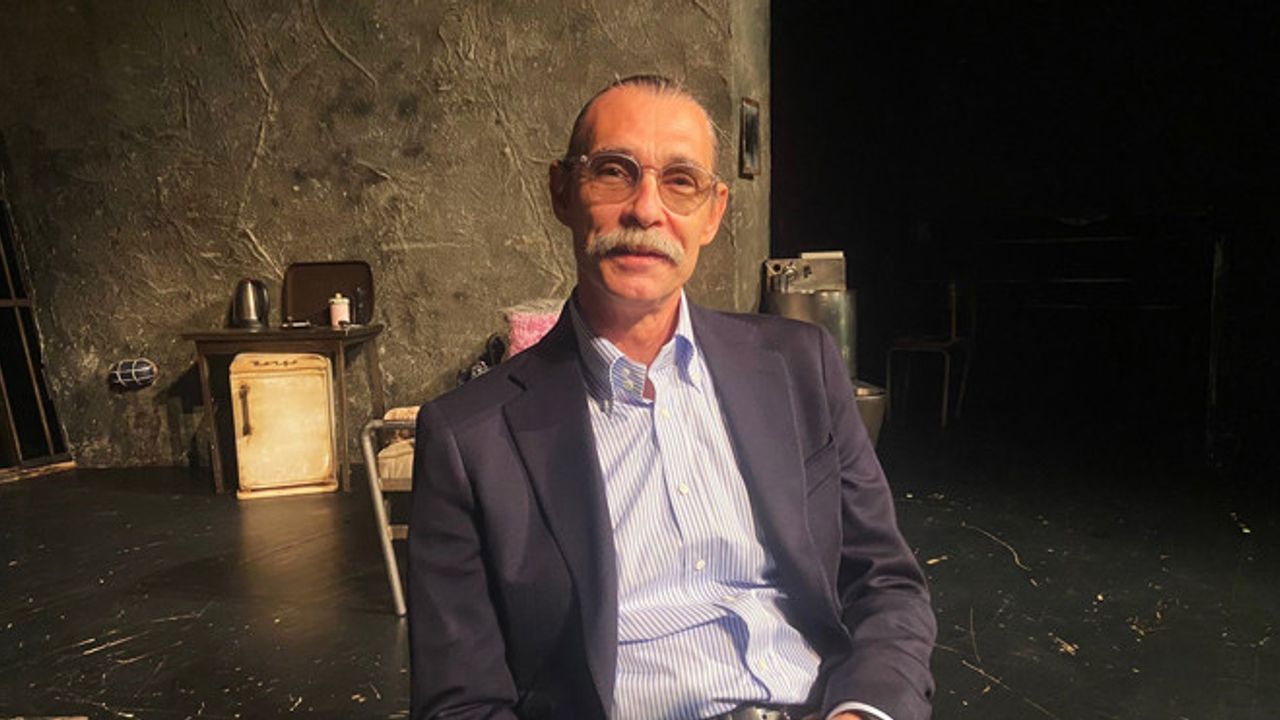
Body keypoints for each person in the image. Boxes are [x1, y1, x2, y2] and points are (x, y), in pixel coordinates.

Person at [408, 74, 936, 720]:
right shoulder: (469, 440)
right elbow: (461, 705)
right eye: (614, 172)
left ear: (713, 212)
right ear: (561, 191)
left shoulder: (801, 368)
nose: (646, 210)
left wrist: (860, 713)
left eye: (680, 181)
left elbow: (886, 584)